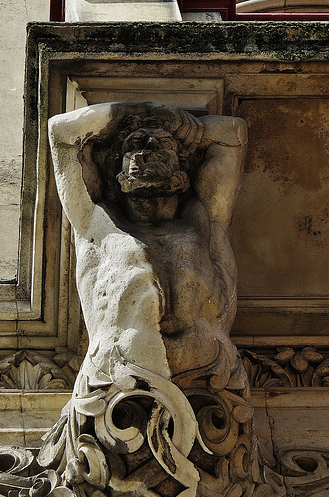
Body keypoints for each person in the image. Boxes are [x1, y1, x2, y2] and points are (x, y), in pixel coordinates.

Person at [48, 102, 247, 390]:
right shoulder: (96, 222)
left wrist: (187, 127)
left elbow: (233, 134)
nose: (149, 148)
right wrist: (130, 112)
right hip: (117, 374)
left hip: (213, 374)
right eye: (135, 144)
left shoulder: (202, 219)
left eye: (163, 145)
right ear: (117, 168)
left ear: (182, 167)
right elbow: (62, 132)